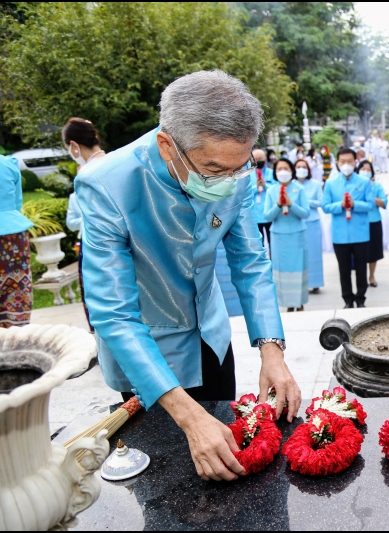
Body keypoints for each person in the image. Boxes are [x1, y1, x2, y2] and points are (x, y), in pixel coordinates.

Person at [75, 70, 301, 482]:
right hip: (147, 354)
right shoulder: (106, 185)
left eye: (239, 166)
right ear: (167, 145)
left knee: (236, 466)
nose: (229, 182)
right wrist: (188, 417)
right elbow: (114, 314)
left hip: (210, 337)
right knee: (166, 481)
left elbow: (250, 262)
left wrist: (272, 351)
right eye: (213, 169)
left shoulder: (233, 172)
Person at [63, 117, 106, 331]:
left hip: (96, 247)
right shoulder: (119, 161)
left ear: (73, 145)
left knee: (101, 304)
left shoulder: (86, 175)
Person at [322, 148, 375, 308]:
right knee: (343, 269)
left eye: (350, 161)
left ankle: (360, 298)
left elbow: (370, 205)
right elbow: (325, 206)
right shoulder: (331, 183)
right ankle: (347, 299)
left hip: (361, 234)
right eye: (343, 161)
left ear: (355, 162)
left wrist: (354, 204)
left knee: (361, 268)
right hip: (340, 235)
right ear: (337, 163)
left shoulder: (364, 182)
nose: (346, 165)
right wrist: (340, 205)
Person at [263, 158, 310, 311]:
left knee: (298, 267)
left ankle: (300, 302)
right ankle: (288, 304)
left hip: (297, 235)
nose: (283, 172)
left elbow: (305, 213)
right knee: (282, 270)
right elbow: (267, 216)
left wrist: (291, 204)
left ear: (292, 171)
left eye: (286, 168)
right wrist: (278, 205)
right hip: (279, 236)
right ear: (275, 172)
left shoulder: (299, 189)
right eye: (279, 169)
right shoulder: (271, 190)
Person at [0, 153, 33, 328]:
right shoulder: (7, 163)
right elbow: (16, 203)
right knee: (16, 290)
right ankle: (16, 337)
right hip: (14, 235)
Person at [296, 158, 324, 293]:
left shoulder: (315, 184)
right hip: (296, 222)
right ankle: (299, 283)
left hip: (312, 222)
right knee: (298, 254)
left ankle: (315, 282)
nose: (301, 169)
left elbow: (321, 202)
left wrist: (305, 201)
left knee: (313, 253)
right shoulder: (291, 185)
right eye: (298, 166)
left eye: (304, 166)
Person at [359, 160, 386, 288]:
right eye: (363, 169)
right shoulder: (355, 186)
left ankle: (372, 275)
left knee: (373, 252)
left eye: (368, 169)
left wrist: (371, 199)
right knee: (360, 252)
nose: (365, 172)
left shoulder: (377, 186)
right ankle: (361, 276)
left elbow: (384, 202)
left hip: (374, 222)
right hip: (358, 223)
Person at [251, 148, 276, 250]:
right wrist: (256, 187)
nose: (258, 161)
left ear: (265, 158)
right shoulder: (248, 175)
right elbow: (245, 193)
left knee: (273, 242)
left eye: (260, 158)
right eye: (255, 159)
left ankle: (274, 263)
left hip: (270, 212)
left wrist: (266, 186)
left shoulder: (272, 173)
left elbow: (277, 190)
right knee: (259, 244)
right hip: (255, 215)